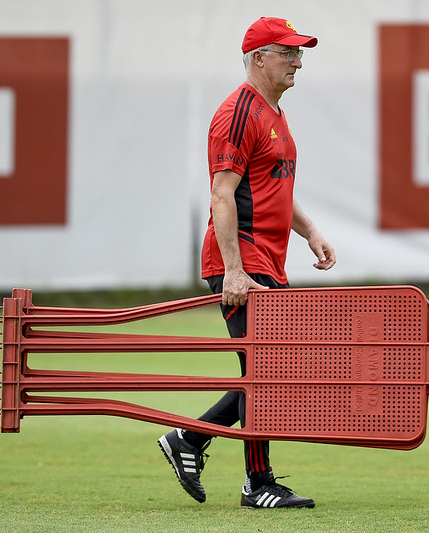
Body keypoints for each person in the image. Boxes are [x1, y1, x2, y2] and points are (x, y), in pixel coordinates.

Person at [157, 17, 336, 509]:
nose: (298, 61)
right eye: (289, 53)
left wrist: (311, 232)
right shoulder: (238, 112)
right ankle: (257, 483)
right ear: (259, 58)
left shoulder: (273, 113)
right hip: (242, 260)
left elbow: (275, 188)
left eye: (300, 53)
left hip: (266, 262)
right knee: (265, 372)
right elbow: (222, 193)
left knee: (273, 371)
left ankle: (189, 441)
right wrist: (234, 271)